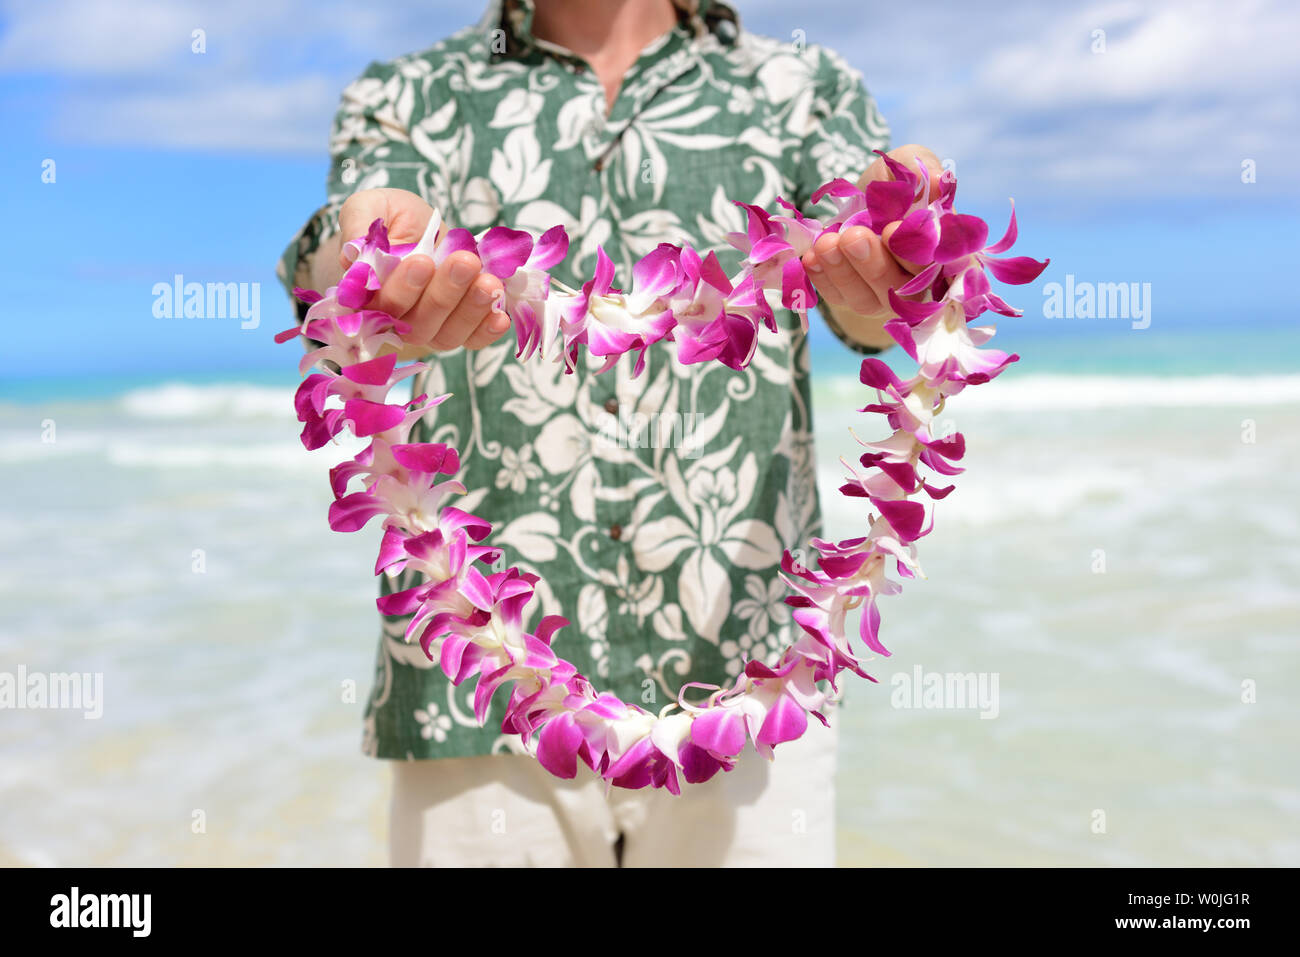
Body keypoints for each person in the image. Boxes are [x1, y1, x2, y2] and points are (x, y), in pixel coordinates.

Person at [278, 0, 942, 867]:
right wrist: (366, 265)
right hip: (475, 692)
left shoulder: (801, 87)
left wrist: (892, 263)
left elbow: (878, 274)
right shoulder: (408, 92)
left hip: (750, 680)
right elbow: (338, 253)